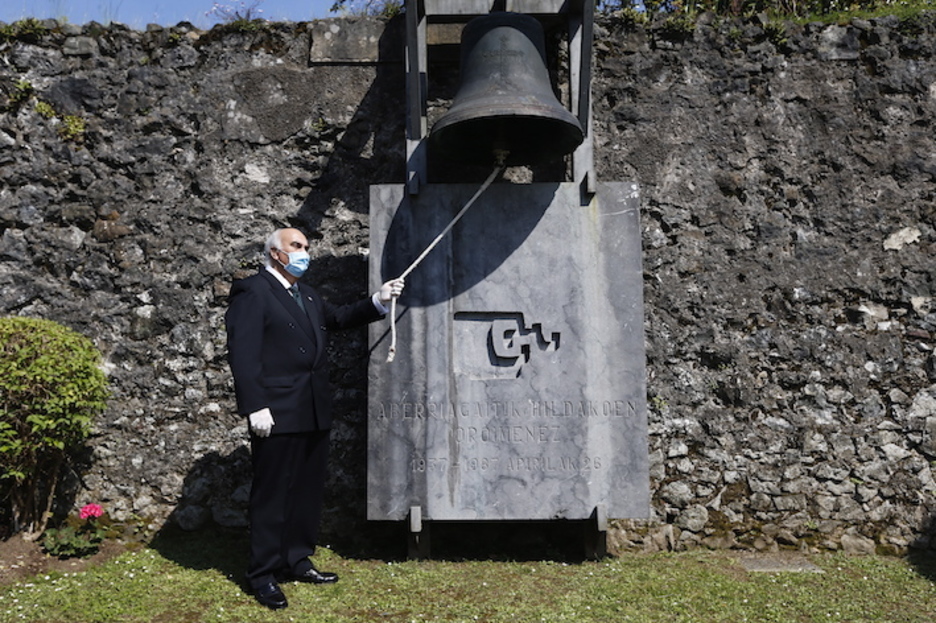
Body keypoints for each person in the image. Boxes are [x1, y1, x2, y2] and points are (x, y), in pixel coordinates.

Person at [225, 227, 403, 610]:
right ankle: (263, 573)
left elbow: (337, 319)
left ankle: (296, 559)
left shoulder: (306, 294)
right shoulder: (253, 291)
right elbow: (243, 352)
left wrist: (378, 300)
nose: (306, 252)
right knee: (273, 492)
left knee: (306, 490)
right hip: (275, 410)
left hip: (313, 406)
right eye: (297, 246)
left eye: (307, 246)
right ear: (275, 253)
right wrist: (254, 405)